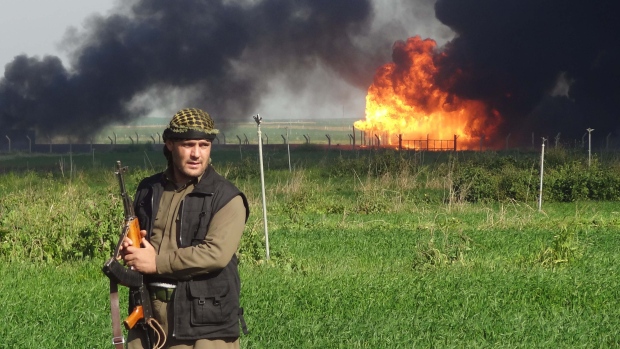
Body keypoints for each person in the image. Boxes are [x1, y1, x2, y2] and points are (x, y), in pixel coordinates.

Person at [121, 108, 249, 349]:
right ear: (169, 144)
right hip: (149, 318)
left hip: (204, 326)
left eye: (204, 145)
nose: (196, 154)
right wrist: (130, 250)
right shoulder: (148, 189)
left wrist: (155, 263)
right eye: (188, 144)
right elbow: (140, 244)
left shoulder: (226, 197)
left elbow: (215, 254)